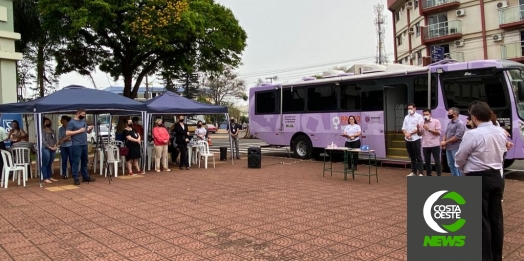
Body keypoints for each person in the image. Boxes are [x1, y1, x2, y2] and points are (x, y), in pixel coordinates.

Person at [455, 102, 507, 261]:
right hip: (496, 177)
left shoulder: (473, 134)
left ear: (474, 117)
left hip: (478, 177)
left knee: (481, 219)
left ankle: (485, 257)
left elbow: (460, 157)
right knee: (496, 218)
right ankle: (496, 255)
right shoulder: (500, 132)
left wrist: (463, 168)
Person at [66, 109, 96, 185]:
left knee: (85, 161)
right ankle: (75, 177)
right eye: (82, 114)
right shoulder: (72, 122)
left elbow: (86, 131)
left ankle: (85, 176)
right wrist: (78, 131)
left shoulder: (83, 121)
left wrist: (89, 129)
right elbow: (67, 132)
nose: (84, 116)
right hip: (76, 145)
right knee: (76, 162)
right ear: (78, 114)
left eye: (84, 114)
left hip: (84, 144)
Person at [441, 107, 466, 176]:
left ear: (455, 114)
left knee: (458, 165)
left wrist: (445, 142)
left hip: (456, 147)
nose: (448, 114)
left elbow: (458, 137)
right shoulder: (450, 123)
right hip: (449, 147)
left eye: (449, 113)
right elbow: (446, 133)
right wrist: (444, 142)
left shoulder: (460, 124)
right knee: (451, 164)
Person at [402, 103, 424, 177]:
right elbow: (403, 127)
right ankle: (414, 172)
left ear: (415, 108)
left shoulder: (419, 117)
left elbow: (419, 128)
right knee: (412, 156)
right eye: (408, 108)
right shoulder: (406, 117)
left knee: (418, 155)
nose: (409, 110)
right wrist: (406, 134)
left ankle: (421, 172)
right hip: (408, 139)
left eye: (411, 108)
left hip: (416, 138)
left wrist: (410, 133)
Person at [420, 109, 442, 176]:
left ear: (430, 114)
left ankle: (439, 175)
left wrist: (429, 129)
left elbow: (438, 132)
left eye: (427, 114)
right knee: (427, 162)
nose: (425, 116)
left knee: (437, 161)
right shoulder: (422, 123)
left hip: (434, 144)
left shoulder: (436, 121)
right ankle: (429, 175)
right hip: (425, 145)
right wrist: (418, 129)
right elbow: (419, 134)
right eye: (424, 115)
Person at [41, 117, 58, 184]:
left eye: (49, 122)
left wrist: (55, 146)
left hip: (53, 148)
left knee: (50, 163)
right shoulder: (42, 130)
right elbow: (43, 140)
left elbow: (55, 139)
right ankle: (45, 177)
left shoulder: (52, 130)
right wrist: (49, 147)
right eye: (46, 122)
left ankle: (49, 176)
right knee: (45, 162)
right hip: (46, 148)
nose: (48, 123)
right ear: (43, 123)